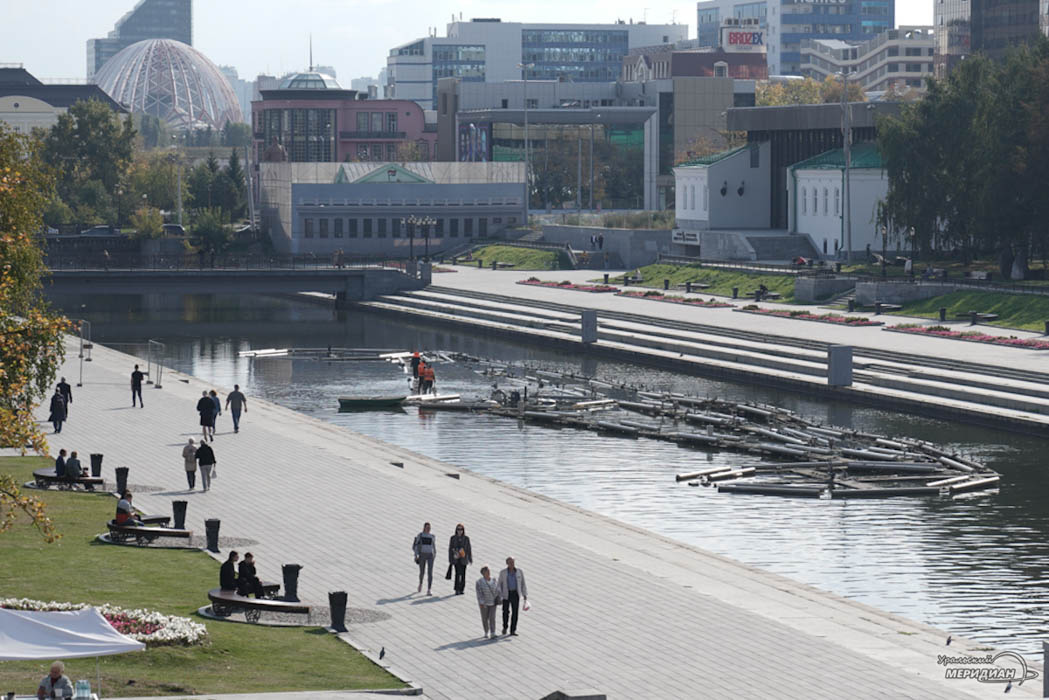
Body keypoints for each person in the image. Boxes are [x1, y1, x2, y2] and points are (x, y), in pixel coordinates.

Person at [497, 556, 528, 636]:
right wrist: (499, 594)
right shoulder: (503, 572)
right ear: (507, 563)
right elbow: (499, 584)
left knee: (515, 612)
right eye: (510, 562)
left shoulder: (519, 572)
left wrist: (524, 594)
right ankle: (505, 627)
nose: (512, 564)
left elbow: (523, 583)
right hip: (506, 594)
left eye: (513, 562)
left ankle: (513, 630)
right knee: (505, 612)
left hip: (515, 594)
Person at [475, 566, 500, 639]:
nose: (489, 573)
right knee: (485, 618)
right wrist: (481, 603)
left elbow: (497, 589)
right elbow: (479, 593)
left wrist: (499, 597)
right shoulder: (479, 582)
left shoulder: (494, 580)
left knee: (492, 617)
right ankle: (486, 631)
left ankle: (493, 632)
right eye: (487, 571)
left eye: (489, 571)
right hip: (484, 604)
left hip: (493, 602)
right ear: (483, 573)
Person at [412, 522, 437, 595]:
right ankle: (420, 583)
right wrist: (416, 555)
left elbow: (433, 546)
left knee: (430, 572)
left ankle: (429, 589)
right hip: (422, 554)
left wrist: (434, 554)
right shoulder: (420, 535)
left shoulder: (432, 536)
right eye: (427, 527)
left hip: (430, 555)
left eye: (429, 528)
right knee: (422, 571)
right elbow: (416, 546)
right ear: (424, 528)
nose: (428, 529)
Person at [448, 523, 473, 595]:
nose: (460, 531)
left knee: (463, 574)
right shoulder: (453, 538)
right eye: (458, 529)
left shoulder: (466, 539)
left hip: (463, 558)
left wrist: (470, 558)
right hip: (456, 559)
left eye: (461, 529)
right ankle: (456, 589)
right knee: (457, 573)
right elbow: (450, 549)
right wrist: (450, 559)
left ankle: (462, 588)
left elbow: (469, 549)